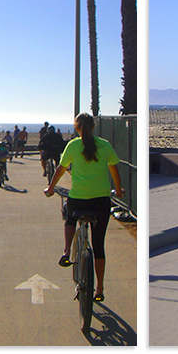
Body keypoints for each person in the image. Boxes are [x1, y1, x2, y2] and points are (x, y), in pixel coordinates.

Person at [45, 113, 123, 303]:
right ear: (93, 127)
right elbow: (114, 171)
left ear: (77, 128)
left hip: (78, 199)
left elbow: (60, 170)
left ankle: (66, 250)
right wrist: (119, 191)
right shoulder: (104, 145)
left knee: (70, 217)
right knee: (98, 246)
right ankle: (100, 288)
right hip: (101, 201)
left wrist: (51, 188)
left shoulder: (73, 146)